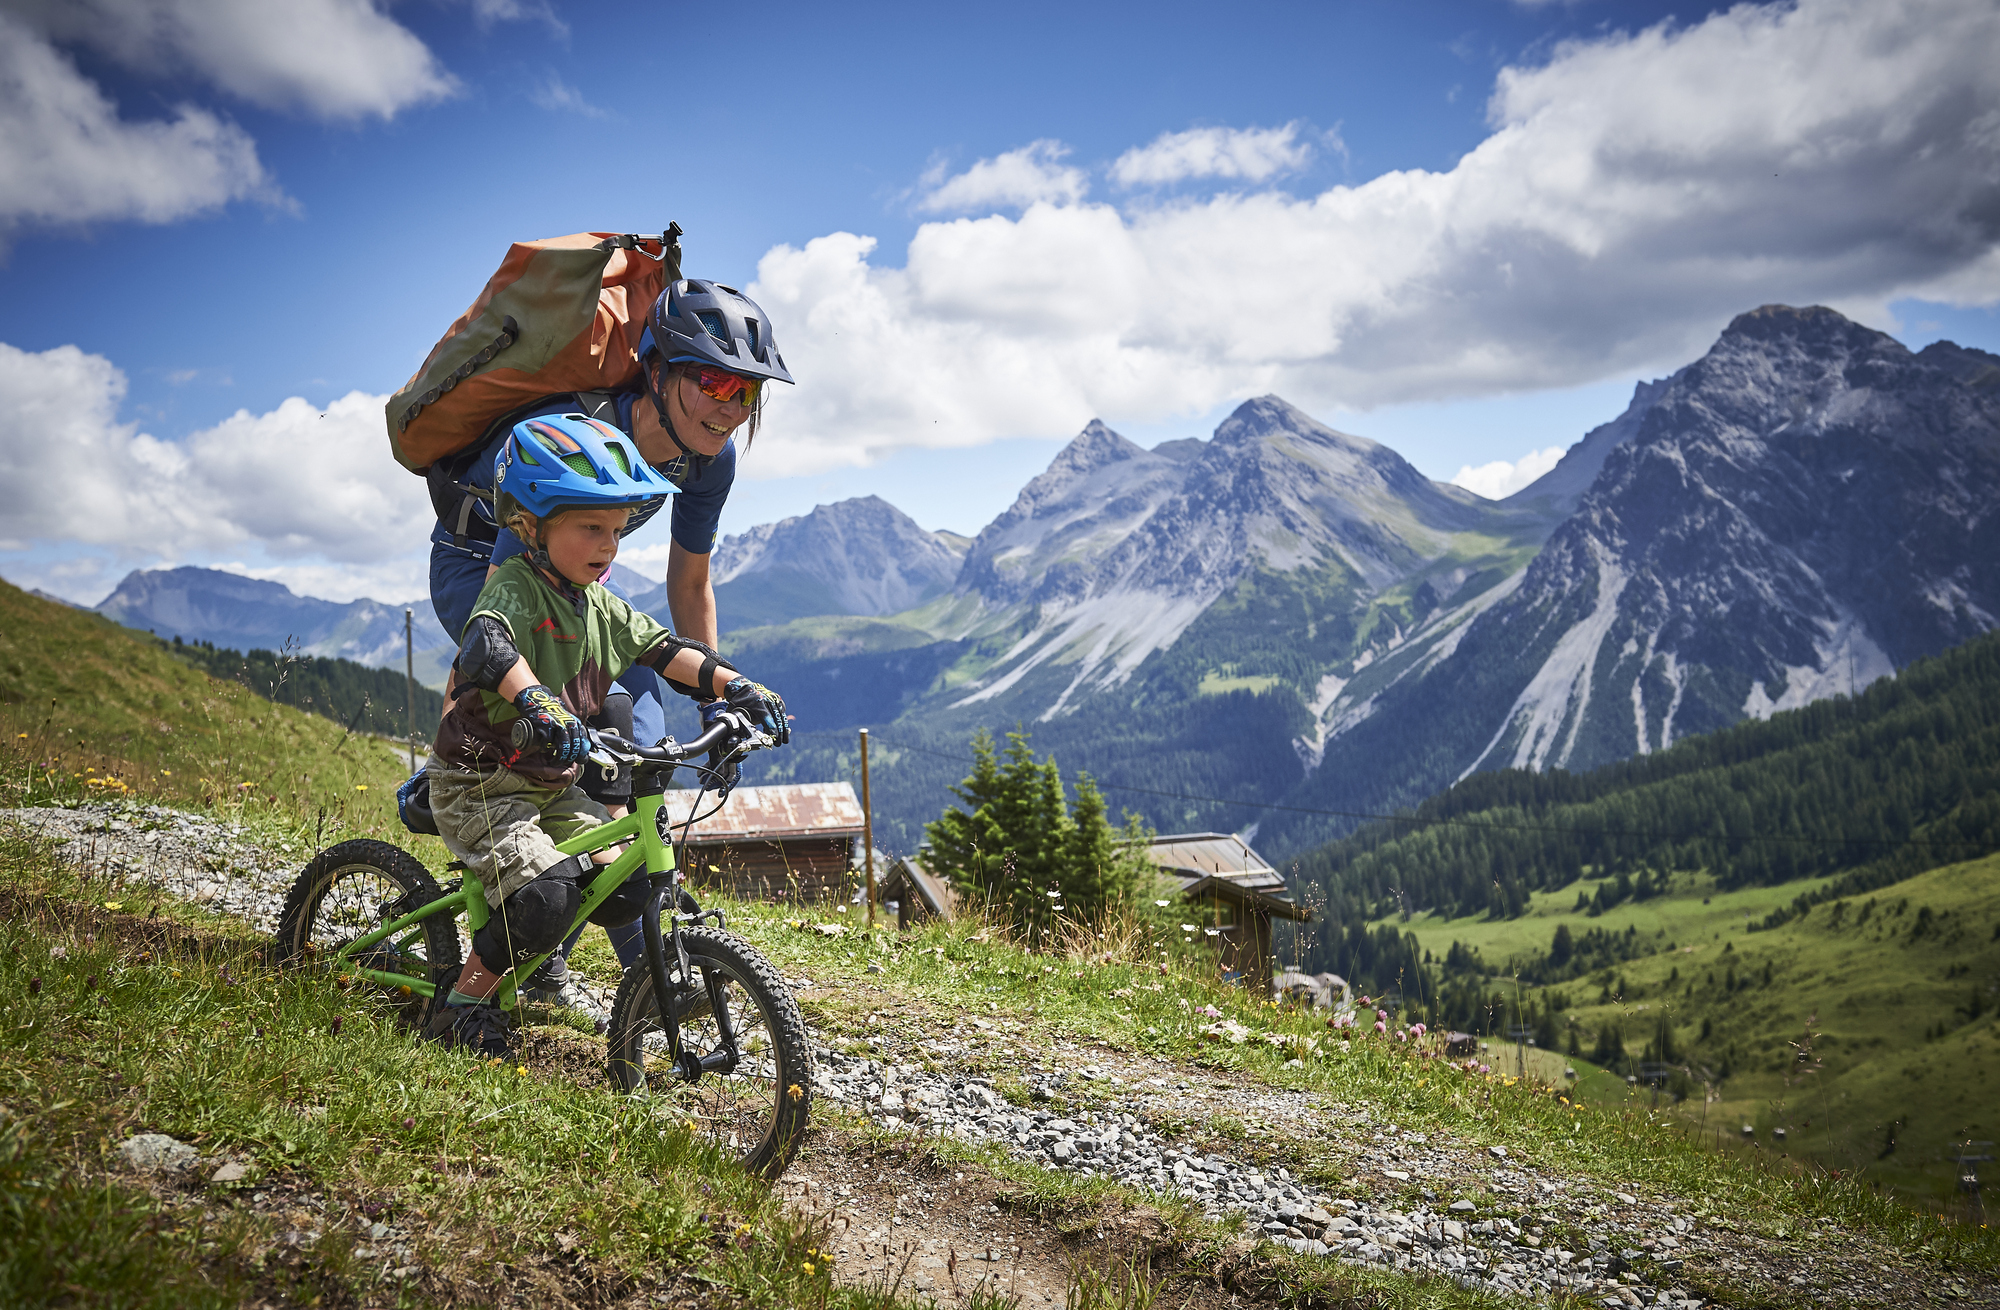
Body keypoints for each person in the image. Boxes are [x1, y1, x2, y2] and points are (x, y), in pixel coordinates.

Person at [421, 279, 794, 1013]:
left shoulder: (707, 463)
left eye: (746, 392)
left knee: (636, 748)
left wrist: (719, 700)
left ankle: (649, 972)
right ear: (658, 370)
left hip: (577, 579)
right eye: (714, 380)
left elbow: (689, 587)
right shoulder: (575, 433)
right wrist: (476, 720)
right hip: (487, 564)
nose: (729, 404)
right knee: (577, 714)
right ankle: (528, 914)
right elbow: (502, 619)